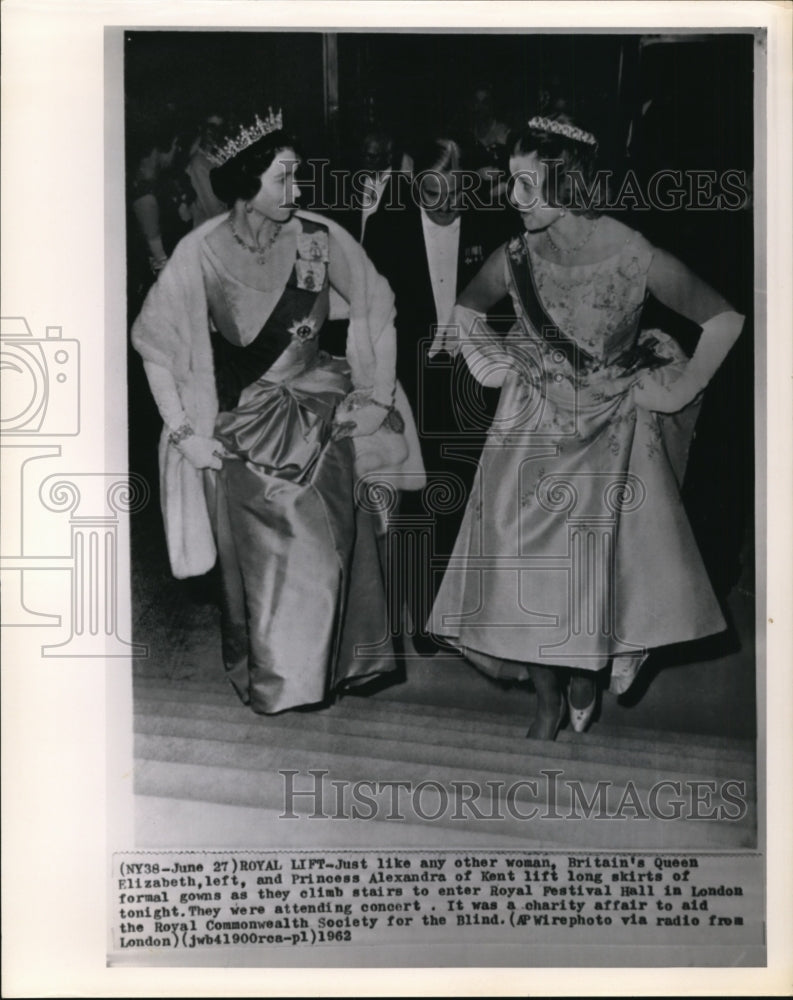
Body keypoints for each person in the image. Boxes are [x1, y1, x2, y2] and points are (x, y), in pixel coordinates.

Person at [428, 112, 744, 739]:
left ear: (567, 181)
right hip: (528, 434)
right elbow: (465, 311)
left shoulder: (633, 252)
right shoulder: (514, 253)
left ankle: (582, 674)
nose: (510, 197)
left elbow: (724, 319)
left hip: (611, 439)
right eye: (509, 181)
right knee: (524, 574)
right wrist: (497, 368)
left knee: (588, 574)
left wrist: (679, 387)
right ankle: (545, 703)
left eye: (525, 183)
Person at [131, 110, 424, 715]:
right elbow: (155, 345)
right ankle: (276, 674)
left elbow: (379, 305)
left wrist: (377, 399)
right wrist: (185, 434)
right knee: (261, 568)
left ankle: (322, 670)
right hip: (242, 423)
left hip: (319, 409)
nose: (297, 190)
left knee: (326, 554)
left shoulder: (319, 236)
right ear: (246, 181)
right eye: (283, 178)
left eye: (299, 177)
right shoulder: (200, 253)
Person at [365, 136, 513, 654]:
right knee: (414, 499)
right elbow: (372, 315)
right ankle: (420, 616)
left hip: (474, 377)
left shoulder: (493, 223)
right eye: (432, 195)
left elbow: (510, 306)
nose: (445, 207)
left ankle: (455, 613)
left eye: (453, 194)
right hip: (410, 377)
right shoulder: (387, 228)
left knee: (464, 492)